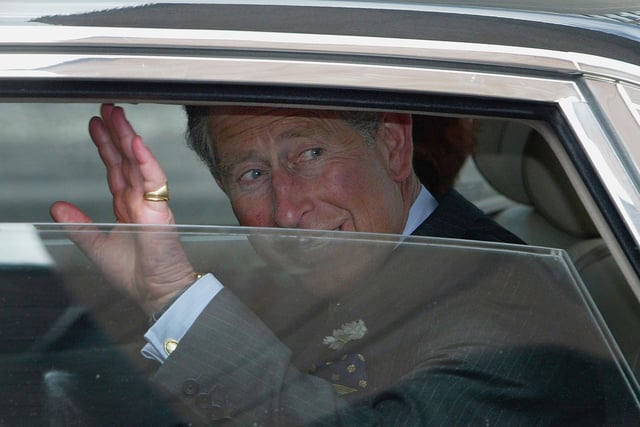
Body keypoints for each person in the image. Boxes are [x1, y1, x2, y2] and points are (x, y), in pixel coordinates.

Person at [50, 104, 636, 425]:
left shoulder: (507, 314)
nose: (286, 208)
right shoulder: (366, 261)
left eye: (309, 153)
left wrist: (172, 293)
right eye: (251, 174)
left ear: (393, 147)